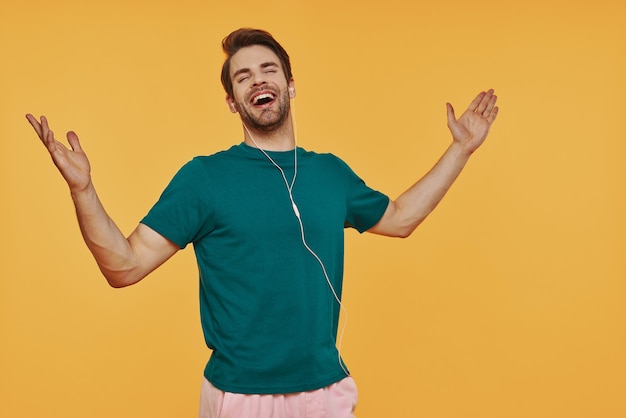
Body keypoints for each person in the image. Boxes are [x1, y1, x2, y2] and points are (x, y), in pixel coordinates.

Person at [26, 28, 499, 418]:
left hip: (326, 393)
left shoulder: (330, 173)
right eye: (243, 77)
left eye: (268, 70)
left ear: (290, 84)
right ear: (232, 101)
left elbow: (399, 219)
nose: (257, 81)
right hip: (240, 398)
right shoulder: (204, 179)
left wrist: (461, 149)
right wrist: (82, 190)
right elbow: (124, 266)